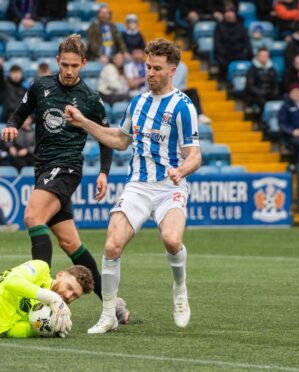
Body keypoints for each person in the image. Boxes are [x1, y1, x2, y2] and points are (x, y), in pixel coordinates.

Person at [63, 38, 201, 334]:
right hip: (138, 185)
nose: (149, 73)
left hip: (169, 186)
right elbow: (120, 140)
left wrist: (182, 170)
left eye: (156, 68)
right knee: (112, 246)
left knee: (172, 240)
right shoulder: (138, 102)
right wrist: (84, 122)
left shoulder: (183, 107)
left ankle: (180, 290)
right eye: (147, 67)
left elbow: (195, 155)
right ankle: (109, 313)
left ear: (171, 70)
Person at [1, 35, 129, 324]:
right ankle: (112, 303)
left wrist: (104, 173)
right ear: (58, 61)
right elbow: (21, 111)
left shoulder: (90, 99)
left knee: (33, 217)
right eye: (64, 64)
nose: (69, 70)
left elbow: (106, 139)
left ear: (84, 64)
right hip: (43, 168)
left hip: (67, 167)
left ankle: (40, 296)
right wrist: (11, 125)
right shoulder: (41, 86)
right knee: (71, 244)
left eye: (75, 65)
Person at [213, 5, 252, 79]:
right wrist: (224, 53)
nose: (228, 14)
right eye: (227, 12)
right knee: (222, 61)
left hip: (239, 54)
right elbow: (217, 44)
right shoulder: (219, 27)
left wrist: (248, 54)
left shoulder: (241, 27)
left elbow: (247, 43)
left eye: (230, 12)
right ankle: (224, 82)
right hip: (224, 55)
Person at [245, 47, 279, 114]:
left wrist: (274, 93)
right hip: (256, 95)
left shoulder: (272, 69)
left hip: (269, 94)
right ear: (258, 56)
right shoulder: (252, 70)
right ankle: (262, 122)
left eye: (265, 56)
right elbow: (250, 86)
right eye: (262, 56)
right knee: (262, 102)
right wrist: (262, 93)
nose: (264, 57)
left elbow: (275, 84)